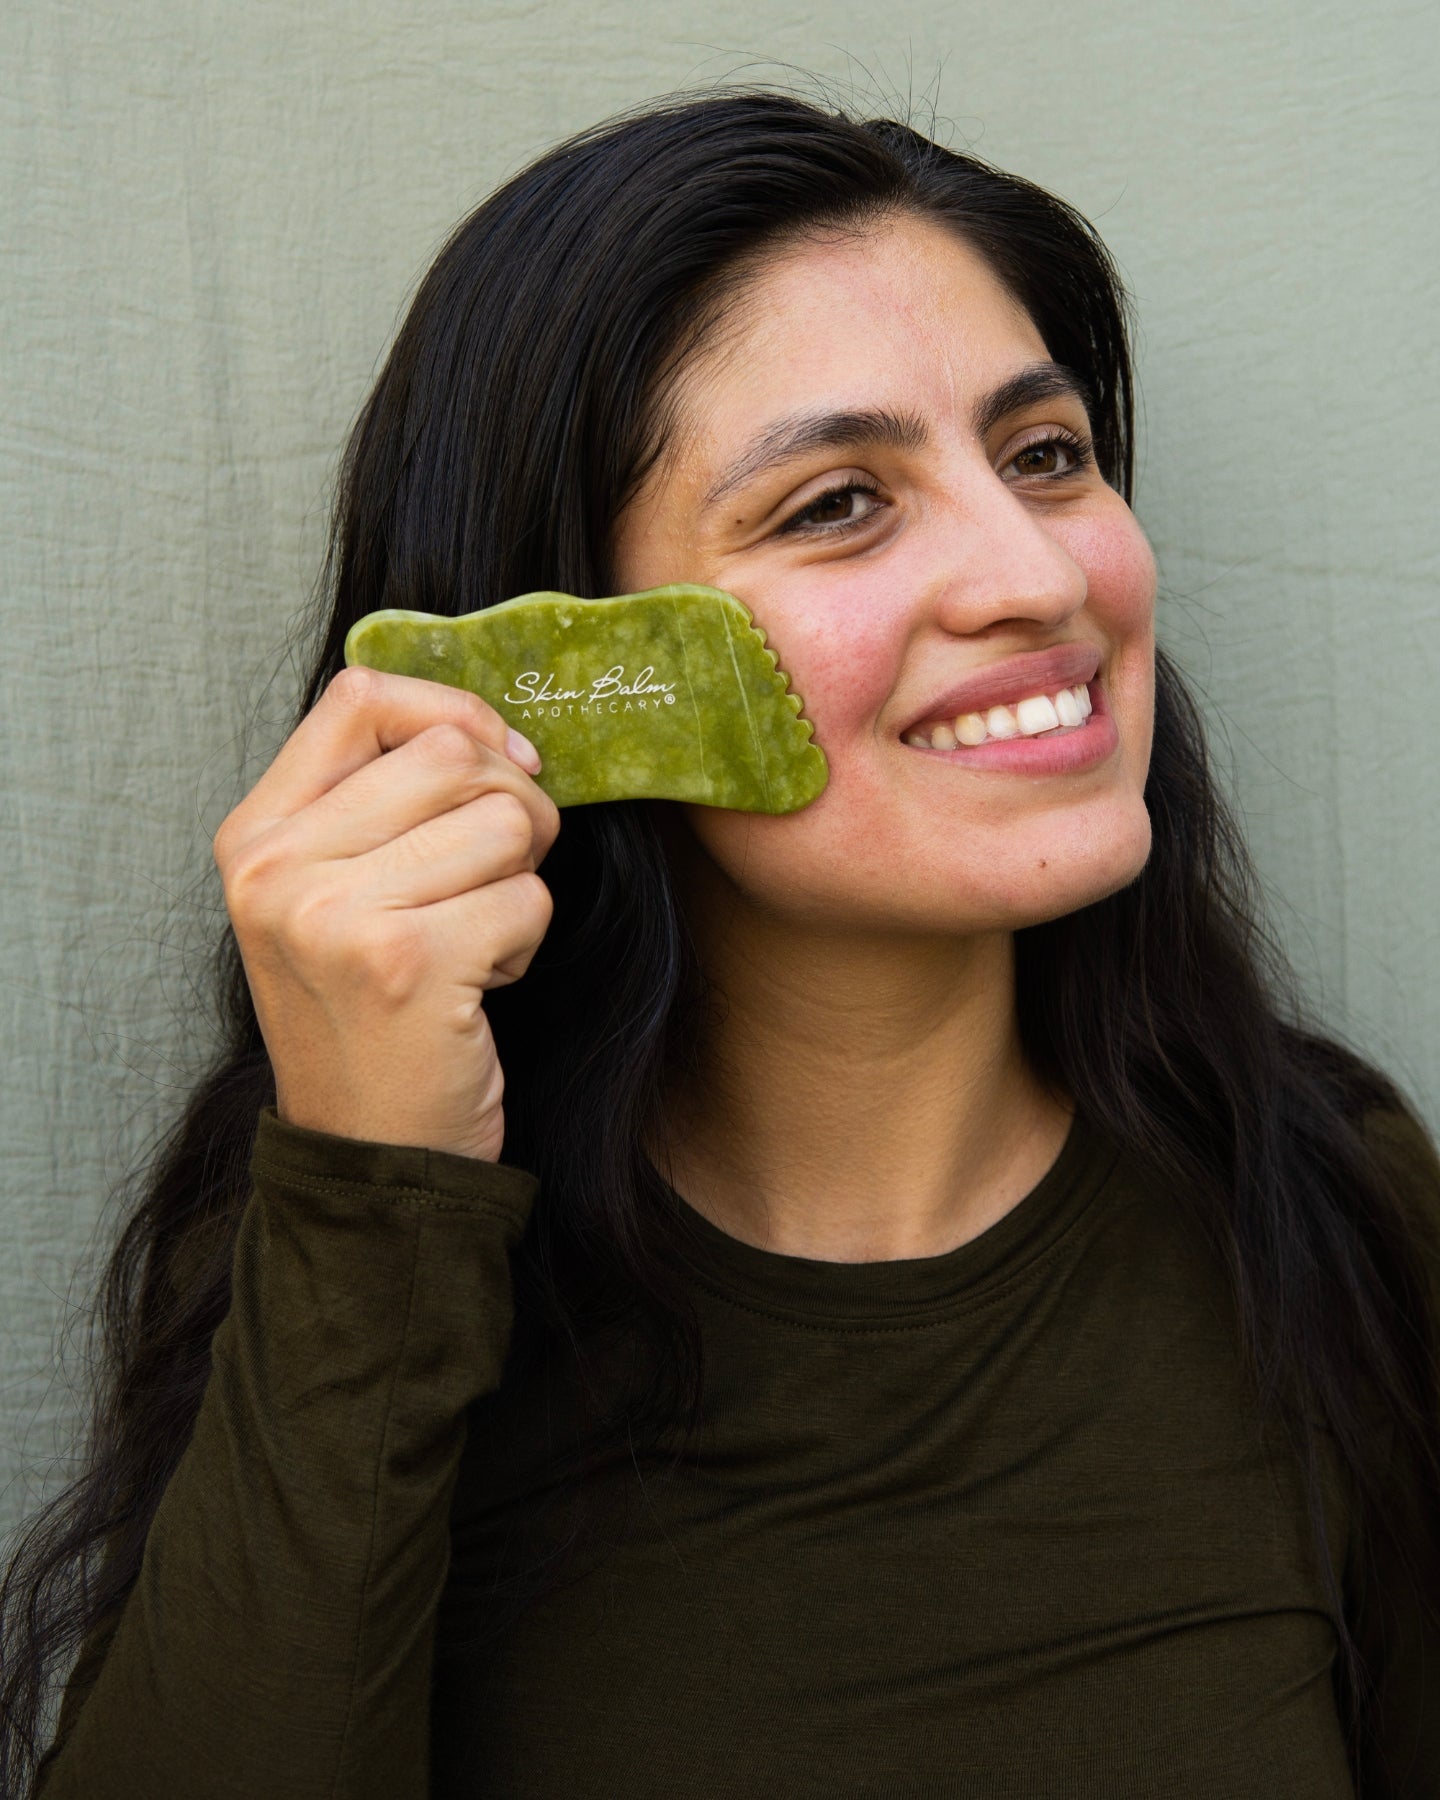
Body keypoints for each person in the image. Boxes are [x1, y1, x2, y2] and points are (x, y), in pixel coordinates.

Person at [2, 87, 1436, 1800]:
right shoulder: (349, 1261)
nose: (1035, 573)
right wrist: (374, 1186)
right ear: (575, 672)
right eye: (839, 502)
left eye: (1047, 455)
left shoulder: (1331, 1207)